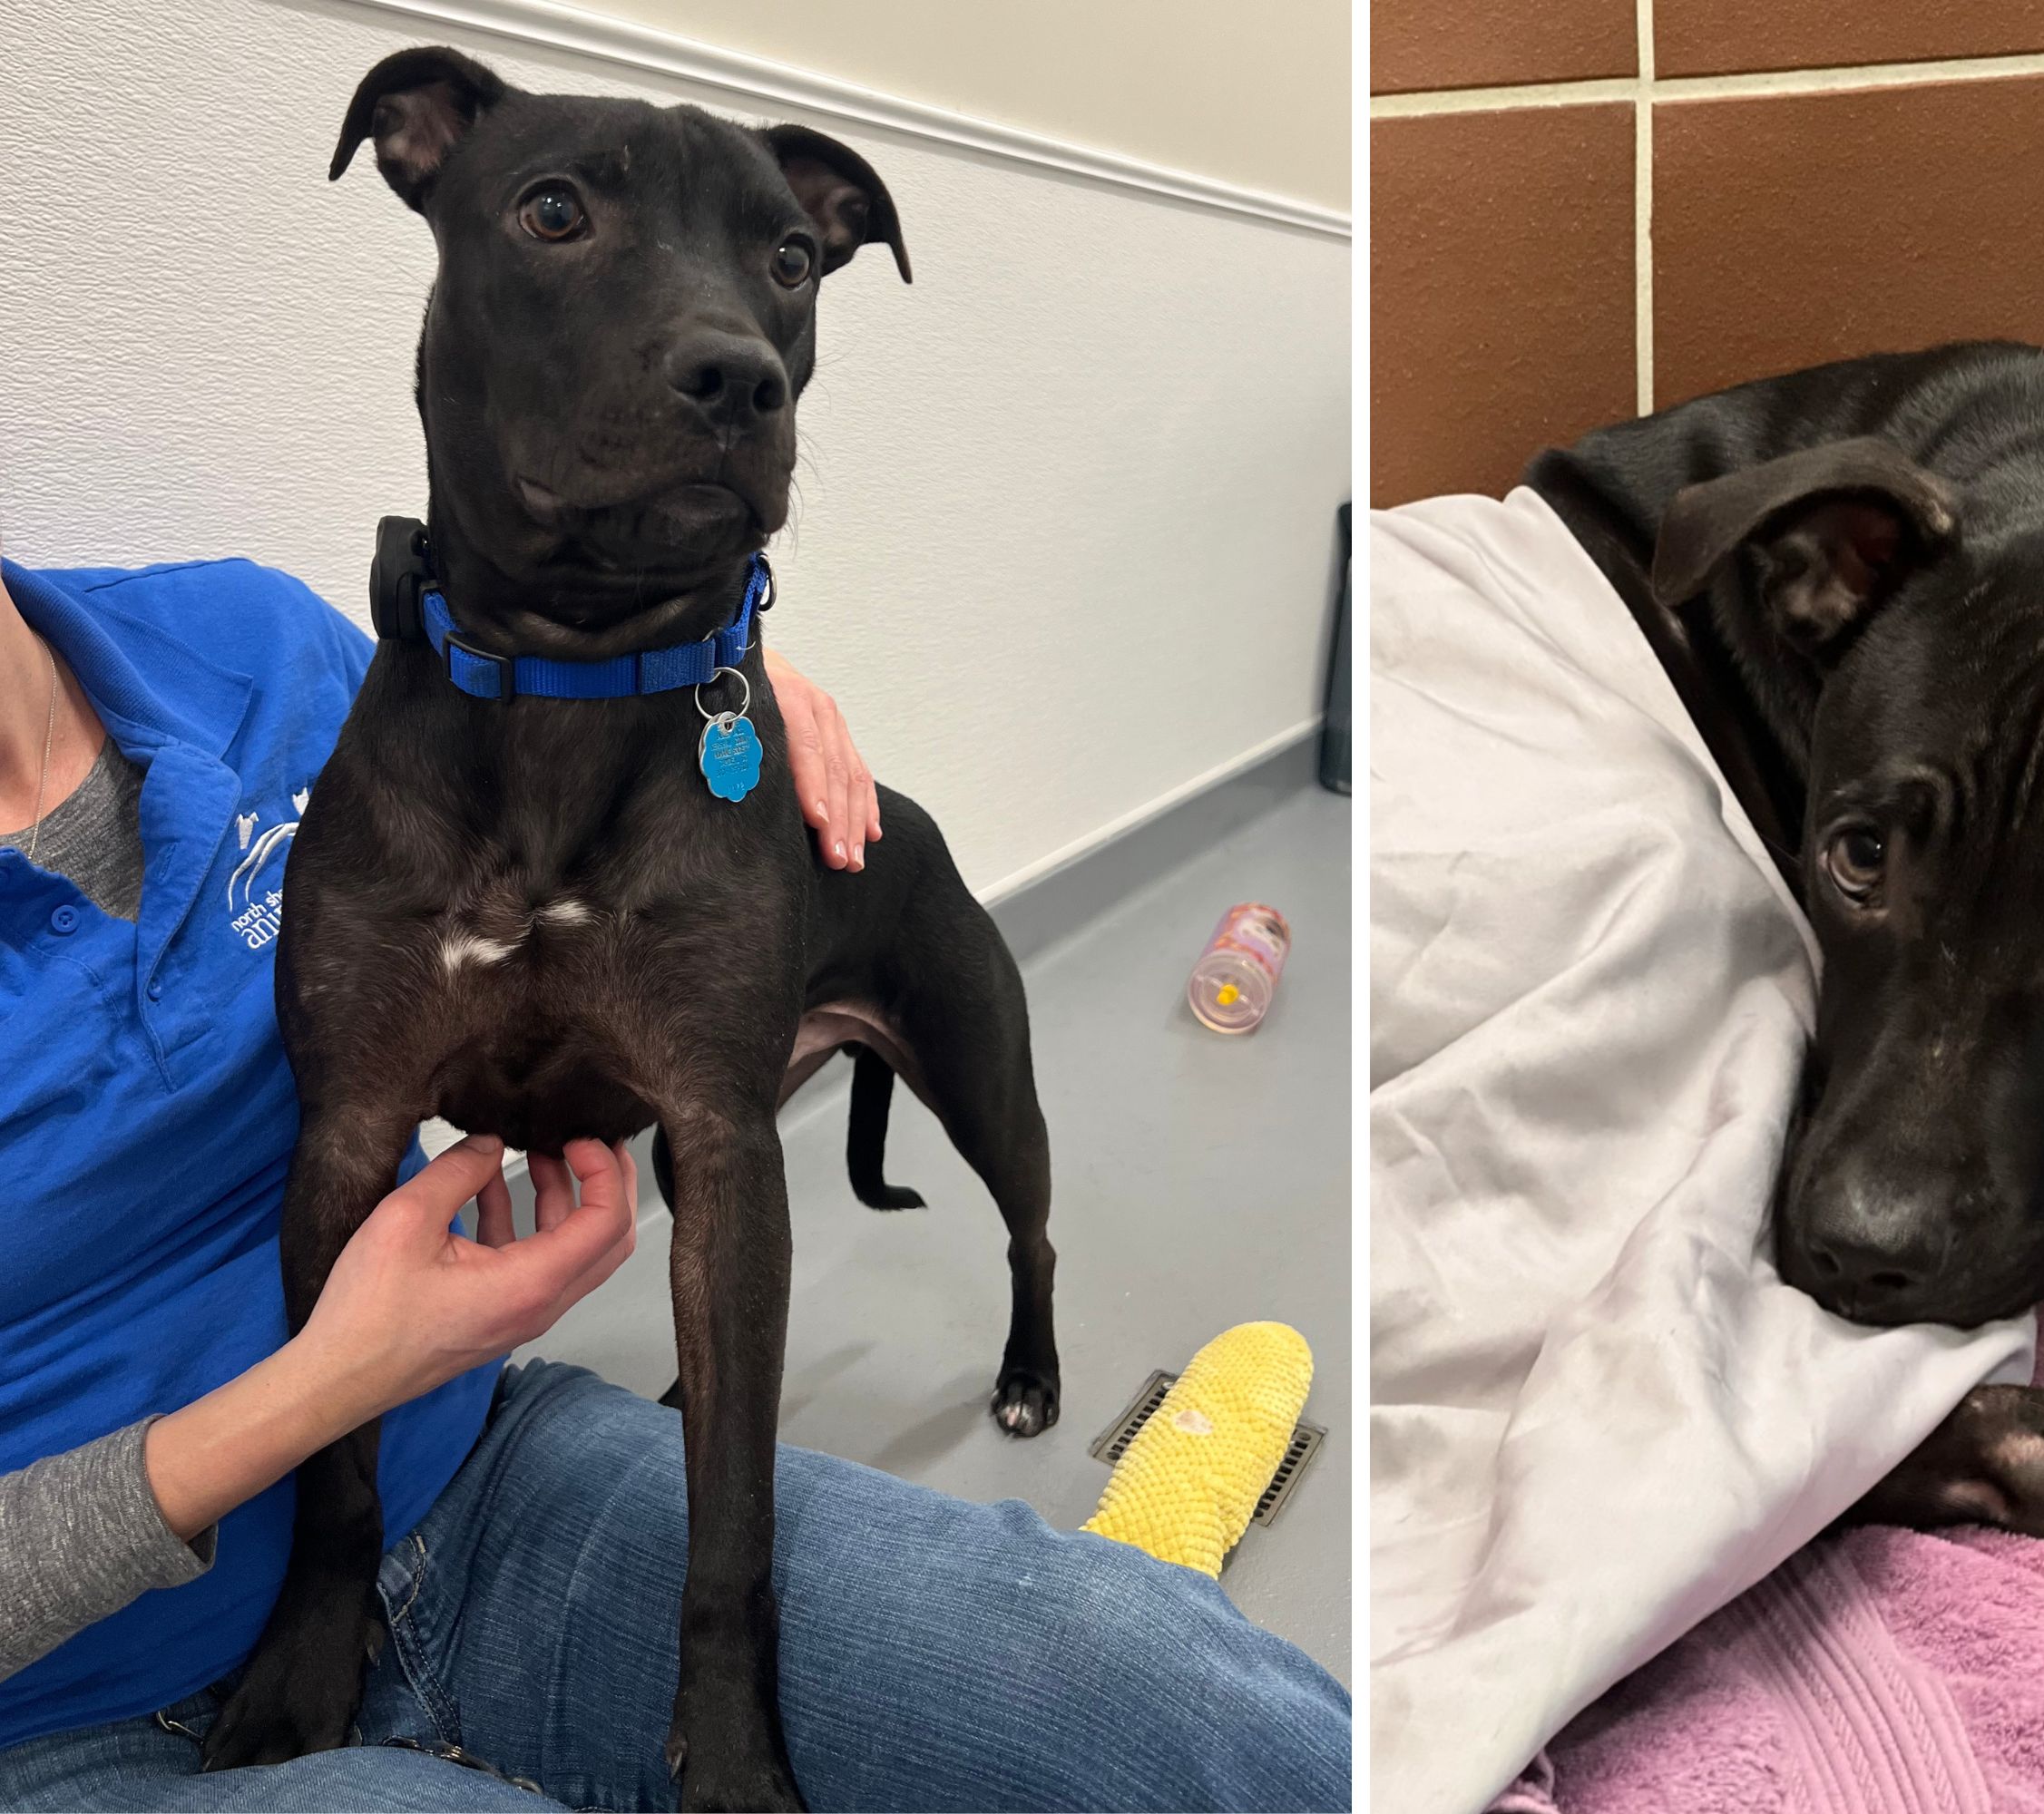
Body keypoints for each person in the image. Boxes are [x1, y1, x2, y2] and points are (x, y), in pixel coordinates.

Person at [0, 538, 1350, 1811]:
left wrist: (705, 688)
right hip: (74, 1716)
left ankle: (1032, 1290)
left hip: (470, 1473)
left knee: (1197, 1714)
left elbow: (517, 776)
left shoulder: (250, 642)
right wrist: (319, 1389)